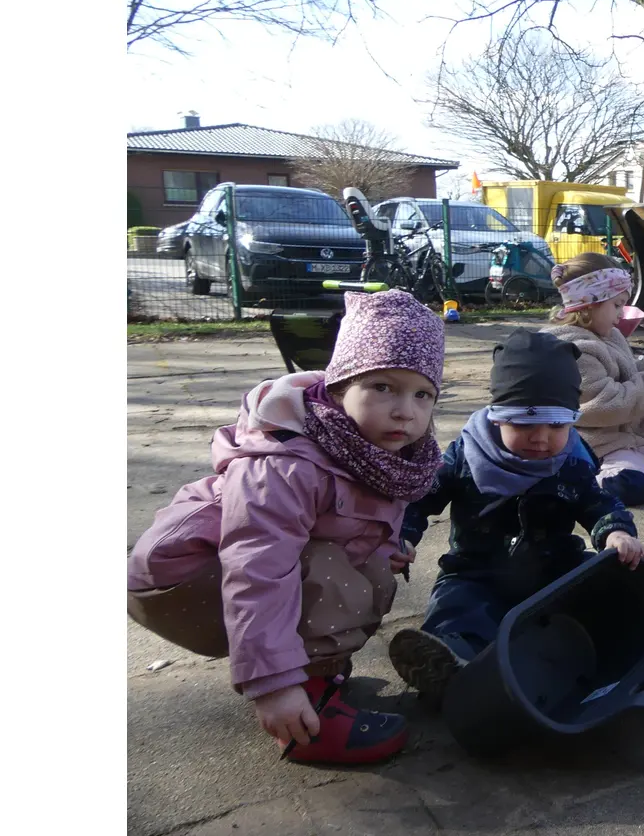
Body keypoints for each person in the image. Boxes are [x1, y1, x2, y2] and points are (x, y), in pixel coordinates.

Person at [127, 290, 447, 764]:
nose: (406, 410)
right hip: (180, 581)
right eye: (383, 387)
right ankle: (305, 718)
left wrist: (383, 547)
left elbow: (354, 521)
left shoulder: (377, 450)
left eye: (422, 394)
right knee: (327, 571)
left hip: (241, 570)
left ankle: (318, 677)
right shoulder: (286, 462)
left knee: (372, 569)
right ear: (340, 388)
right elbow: (257, 566)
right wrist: (272, 682)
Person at [387, 328, 644, 701]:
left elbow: (597, 502)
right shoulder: (466, 455)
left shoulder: (571, 459)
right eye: (525, 424)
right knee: (458, 609)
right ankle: (454, 662)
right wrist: (402, 536)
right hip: (478, 571)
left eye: (557, 425)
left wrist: (615, 533)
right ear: (497, 418)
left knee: (610, 586)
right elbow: (419, 499)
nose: (541, 438)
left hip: (555, 569)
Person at [547, 252, 644, 506]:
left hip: (638, 431)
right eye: (616, 305)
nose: (622, 313)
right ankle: (582, 478)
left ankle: (643, 461)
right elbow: (604, 405)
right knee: (630, 488)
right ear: (589, 304)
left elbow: (626, 371)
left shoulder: (609, 334)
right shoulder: (576, 350)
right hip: (602, 440)